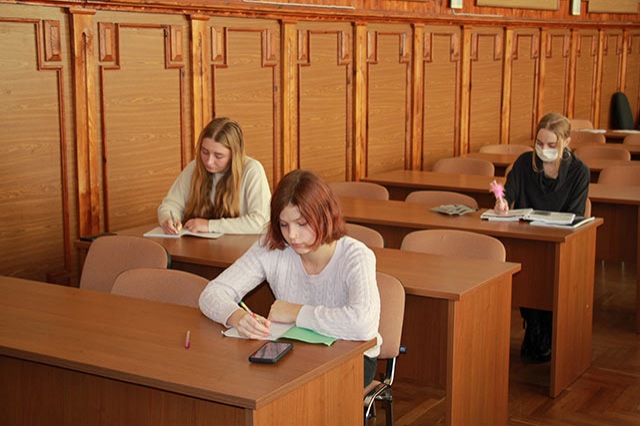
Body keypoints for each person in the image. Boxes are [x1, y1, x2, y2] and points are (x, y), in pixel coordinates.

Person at [199, 169, 381, 385]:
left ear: (324, 217)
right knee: (241, 380)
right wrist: (236, 317)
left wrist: (296, 312)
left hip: (353, 358)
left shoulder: (356, 256)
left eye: (302, 224)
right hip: (296, 351)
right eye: (284, 224)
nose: (292, 235)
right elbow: (212, 293)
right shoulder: (273, 247)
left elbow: (363, 324)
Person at [494, 112, 590, 363]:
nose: (543, 149)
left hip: (559, 241)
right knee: (524, 270)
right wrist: (502, 203)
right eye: (539, 143)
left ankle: (546, 328)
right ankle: (534, 325)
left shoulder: (579, 171)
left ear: (566, 142)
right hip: (527, 237)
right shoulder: (525, 163)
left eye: (551, 144)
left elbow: (576, 213)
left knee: (547, 276)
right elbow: (509, 192)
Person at [157, 117, 271, 235]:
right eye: (205, 152)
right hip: (199, 245)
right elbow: (169, 205)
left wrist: (208, 225)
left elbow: (261, 222)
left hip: (241, 245)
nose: (209, 161)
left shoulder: (252, 170)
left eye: (218, 156)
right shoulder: (194, 168)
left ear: (234, 155)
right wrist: (168, 219)